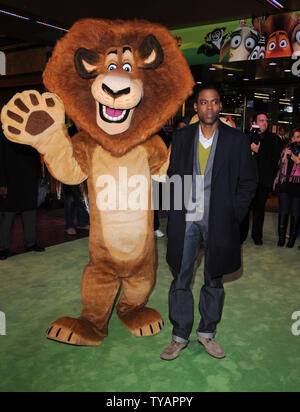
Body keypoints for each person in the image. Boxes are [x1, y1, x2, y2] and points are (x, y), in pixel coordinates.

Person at [160, 84, 257, 361]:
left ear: (220, 106)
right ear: (196, 107)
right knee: (181, 276)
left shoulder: (236, 140)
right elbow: (171, 176)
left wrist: (232, 215)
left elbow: (249, 183)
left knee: (214, 278)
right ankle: (179, 336)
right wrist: (173, 210)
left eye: (214, 102)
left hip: (219, 221)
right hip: (186, 219)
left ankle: (207, 334)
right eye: (204, 102)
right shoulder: (180, 137)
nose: (209, 107)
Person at [0, 124, 45, 260]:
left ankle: (30, 243)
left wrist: (38, 175)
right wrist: (2, 183)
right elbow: (0, 158)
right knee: (7, 215)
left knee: (30, 212)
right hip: (10, 180)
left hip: (29, 180)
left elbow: (36, 153)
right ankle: (3, 248)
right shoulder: (4, 131)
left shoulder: (30, 129)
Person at [248, 113, 282, 245]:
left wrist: (259, 150)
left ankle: (257, 236)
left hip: (263, 180)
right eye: (261, 120)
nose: (264, 123)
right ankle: (240, 235)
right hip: (247, 180)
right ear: (254, 122)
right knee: (244, 208)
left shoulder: (273, 139)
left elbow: (274, 160)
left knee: (259, 209)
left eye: (266, 121)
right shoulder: (248, 136)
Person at [274, 126, 300, 248]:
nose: (295, 139)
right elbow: (279, 164)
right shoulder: (286, 148)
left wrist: (298, 161)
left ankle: (292, 239)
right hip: (285, 183)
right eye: (294, 137)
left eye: (298, 137)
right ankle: (281, 238)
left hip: (297, 185)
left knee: (295, 213)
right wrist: (284, 158)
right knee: (283, 211)